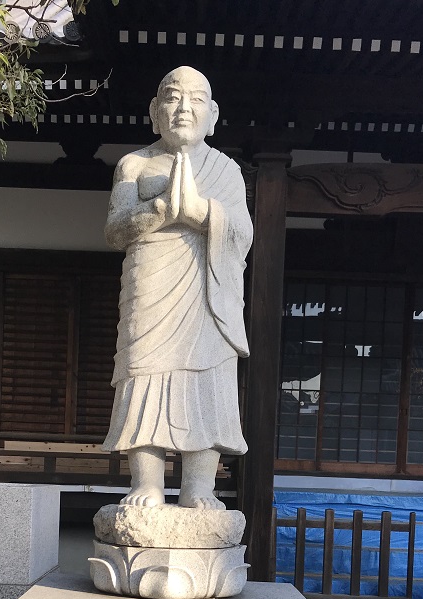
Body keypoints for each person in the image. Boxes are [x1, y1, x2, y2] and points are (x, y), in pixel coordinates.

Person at [102, 66, 252, 510]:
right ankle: (146, 484)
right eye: (172, 97)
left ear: (213, 114)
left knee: (207, 380)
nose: (183, 107)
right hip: (150, 288)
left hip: (207, 293)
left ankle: (198, 489)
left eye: (196, 99)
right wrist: (162, 210)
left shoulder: (226, 170)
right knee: (143, 373)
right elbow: (114, 230)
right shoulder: (135, 164)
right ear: (154, 110)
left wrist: (202, 211)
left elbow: (242, 234)